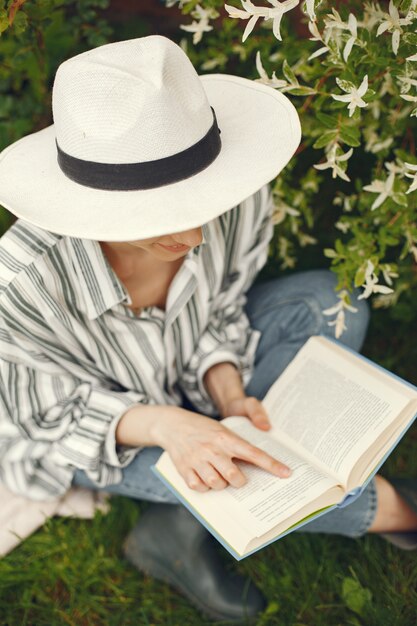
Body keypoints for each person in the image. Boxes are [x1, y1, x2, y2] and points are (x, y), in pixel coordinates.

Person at [0, 35, 416, 623]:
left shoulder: (234, 198)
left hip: (192, 378)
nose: (196, 238)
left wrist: (227, 391)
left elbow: (221, 308)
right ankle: (397, 511)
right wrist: (169, 426)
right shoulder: (19, 284)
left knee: (330, 300)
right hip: (108, 438)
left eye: (201, 203)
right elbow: (45, 417)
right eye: (167, 217)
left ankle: (182, 518)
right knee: (264, 473)